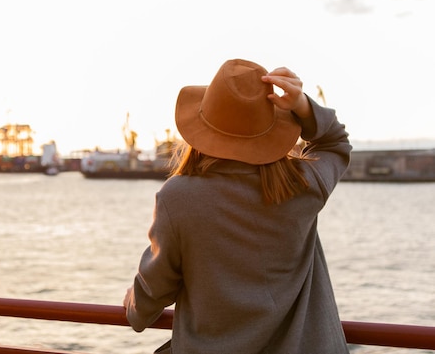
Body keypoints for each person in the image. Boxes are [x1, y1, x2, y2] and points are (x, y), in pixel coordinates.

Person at [123, 58, 351, 353]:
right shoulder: (303, 185)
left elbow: (156, 287)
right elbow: (336, 143)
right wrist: (302, 105)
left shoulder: (179, 198)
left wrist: (135, 310)